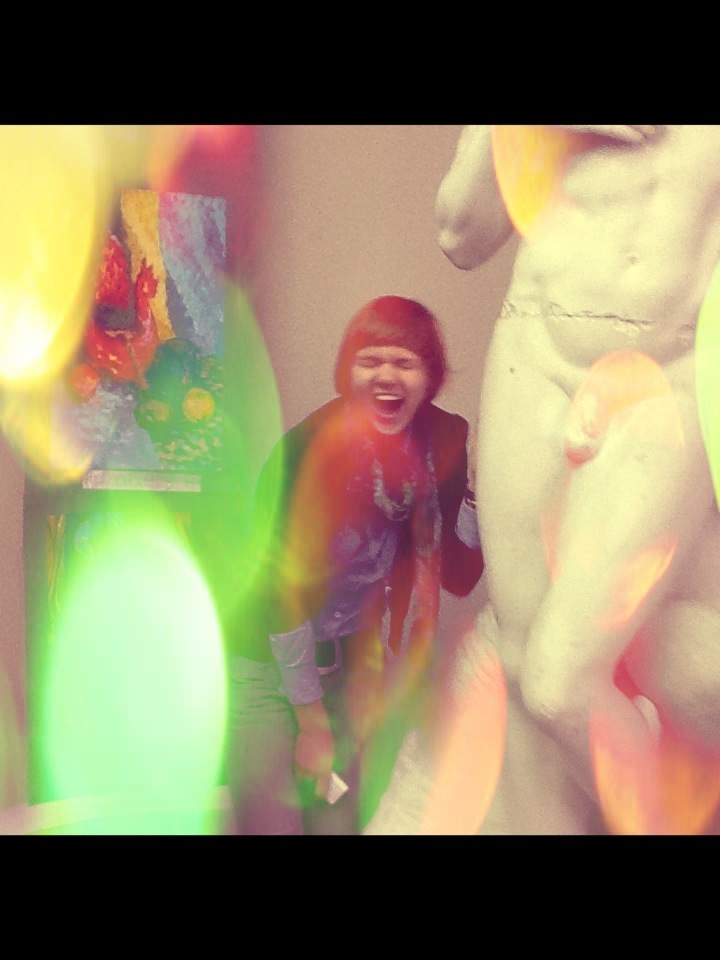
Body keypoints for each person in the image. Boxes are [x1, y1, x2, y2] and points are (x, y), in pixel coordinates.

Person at [368, 125, 720, 836]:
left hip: (669, 373)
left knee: (562, 681)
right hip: (535, 357)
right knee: (522, 666)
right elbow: (460, 232)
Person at [222, 294, 484, 834]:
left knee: (338, 821)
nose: (387, 375)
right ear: (349, 372)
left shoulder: (443, 440)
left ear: (430, 378)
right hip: (265, 664)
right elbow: (279, 593)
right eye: (370, 361)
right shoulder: (308, 449)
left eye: (405, 363)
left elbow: (459, 575)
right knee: (272, 825)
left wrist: (477, 492)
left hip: (348, 667)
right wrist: (311, 723)